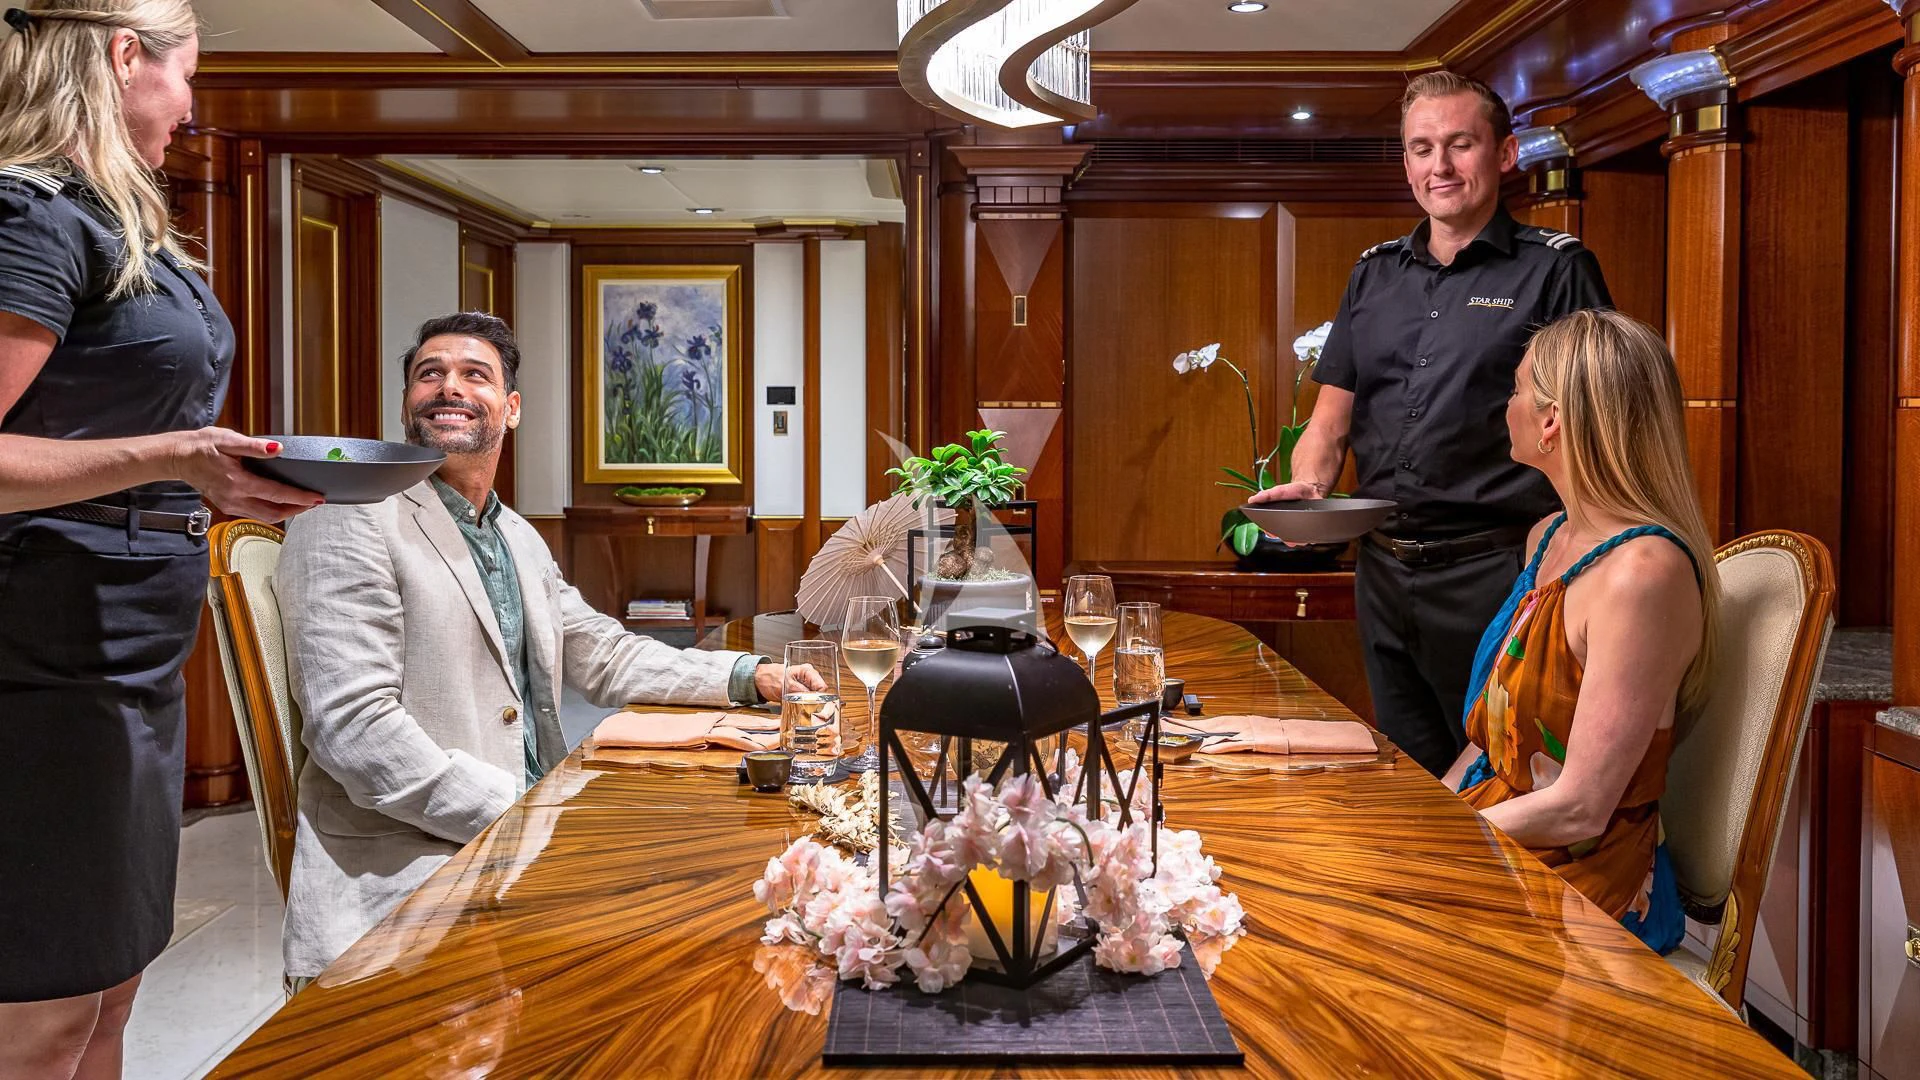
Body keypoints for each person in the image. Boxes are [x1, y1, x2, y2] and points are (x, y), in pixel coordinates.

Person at [275, 312, 820, 979]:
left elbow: (604, 654)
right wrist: (524, 816)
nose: (449, 387)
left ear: (511, 409)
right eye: (429, 374)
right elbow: (355, 729)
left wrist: (747, 676)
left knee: (735, 889)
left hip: (527, 843)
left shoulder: (516, 535)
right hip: (414, 876)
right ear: (407, 404)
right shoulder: (347, 514)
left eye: (474, 374)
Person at [0, 2, 321, 1075]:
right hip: (44, 656)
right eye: (186, 74)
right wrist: (179, 456)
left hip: (127, 652)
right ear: (124, 55)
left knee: (113, 986)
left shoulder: (115, 213)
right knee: (47, 1005)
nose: (191, 105)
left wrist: (216, 477)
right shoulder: (31, 217)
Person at [1253, 71, 1613, 777]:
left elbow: (1596, 428)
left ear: (1505, 153)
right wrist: (1311, 491)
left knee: (1503, 774)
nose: (1439, 166)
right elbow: (1330, 421)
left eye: (1459, 145)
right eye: (1421, 149)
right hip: (1382, 573)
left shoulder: (1557, 270)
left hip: (1502, 570)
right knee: (1412, 775)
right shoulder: (1373, 274)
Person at [1441, 309, 1718, 953]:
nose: (1505, 406)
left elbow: (1580, 807)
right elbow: (1489, 752)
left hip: (1583, 884)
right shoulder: (1549, 538)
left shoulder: (1643, 574)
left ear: (1552, 421)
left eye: (1516, 389)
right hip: (1504, 838)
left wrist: (1434, 840)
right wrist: (1414, 818)